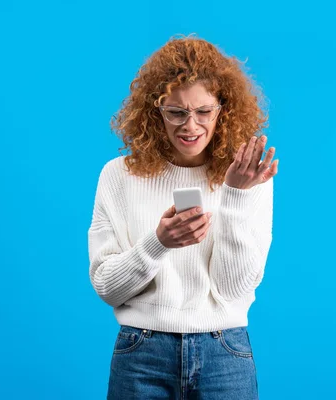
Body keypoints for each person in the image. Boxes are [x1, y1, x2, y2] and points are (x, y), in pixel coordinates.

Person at [88, 34, 278, 399]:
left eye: (203, 111)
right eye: (176, 112)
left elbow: (234, 290)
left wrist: (235, 195)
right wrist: (158, 243)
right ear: (155, 111)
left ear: (223, 109)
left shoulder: (247, 176)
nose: (190, 126)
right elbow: (108, 288)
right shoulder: (118, 175)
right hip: (142, 352)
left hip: (224, 351)